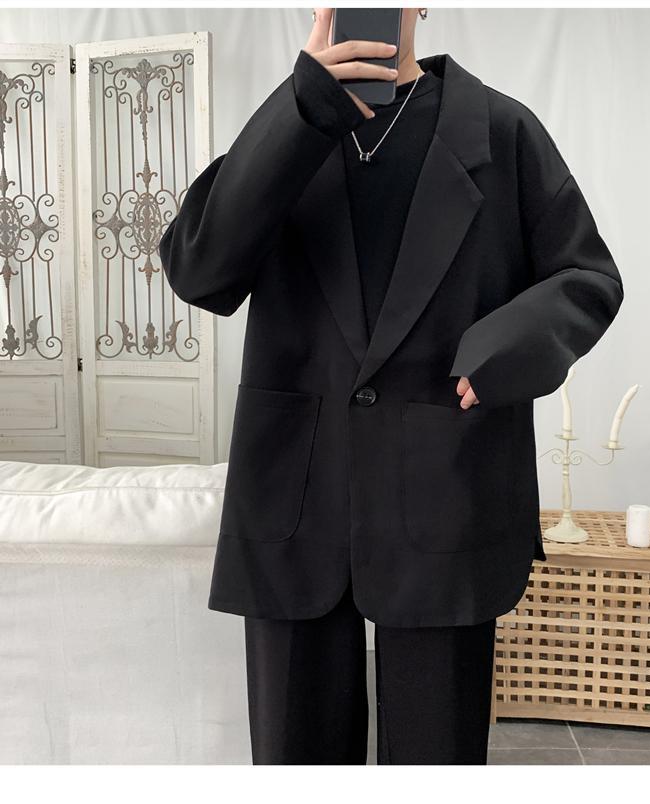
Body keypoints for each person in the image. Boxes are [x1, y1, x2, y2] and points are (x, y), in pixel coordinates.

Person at [158, 7, 624, 764]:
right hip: (297, 490)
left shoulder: (501, 131)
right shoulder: (286, 130)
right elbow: (199, 272)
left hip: (447, 482)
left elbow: (587, 276)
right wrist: (302, 107)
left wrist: (505, 348)